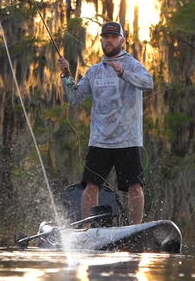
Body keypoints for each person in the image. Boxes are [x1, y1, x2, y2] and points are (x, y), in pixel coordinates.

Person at [58, 21, 153, 224]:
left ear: (122, 41)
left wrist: (123, 73)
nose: (109, 41)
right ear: (101, 40)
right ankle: (87, 229)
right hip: (100, 140)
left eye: (113, 37)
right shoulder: (93, 71)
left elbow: (148, 83)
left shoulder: (132, 64)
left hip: (127, 139)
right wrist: (66, 76)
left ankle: (135, 228)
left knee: (135, 186)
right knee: (91, 186)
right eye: (105, 37)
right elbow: (75, 97)